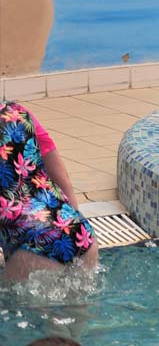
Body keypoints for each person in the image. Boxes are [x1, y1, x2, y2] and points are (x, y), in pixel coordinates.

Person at [0, 101, 98, 283]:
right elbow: (62, 176)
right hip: (77, 229)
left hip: (31, 246)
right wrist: (73, 218)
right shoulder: (18, 111)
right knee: (79, 310)